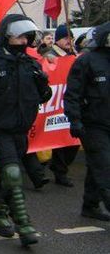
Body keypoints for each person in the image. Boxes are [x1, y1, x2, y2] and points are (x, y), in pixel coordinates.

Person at [0, 14, 52, 246]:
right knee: (13, 173)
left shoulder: (30, 63)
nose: (23, 40)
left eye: (27, 36)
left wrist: (43, 83)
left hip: (20, 130)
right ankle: (23, 223)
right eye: (19, 35)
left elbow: (43, 97)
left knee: (5, 175)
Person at [63, 21, 110, 221]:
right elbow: (72, 93)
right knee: (105, 165)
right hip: (93, 124)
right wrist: (74, 120)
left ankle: (90, 205)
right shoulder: (87, 61)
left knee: (97, 165)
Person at [45, 24, 79, 187]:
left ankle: (60, 167)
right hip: (56, 104)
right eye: (65, 38)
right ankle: (60, 171)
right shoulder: (50, 55)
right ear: (58, 40)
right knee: (59, 139)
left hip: (71, 102)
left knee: (73, 140)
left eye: (70, 38)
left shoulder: (73, 55)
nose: (69, 40)